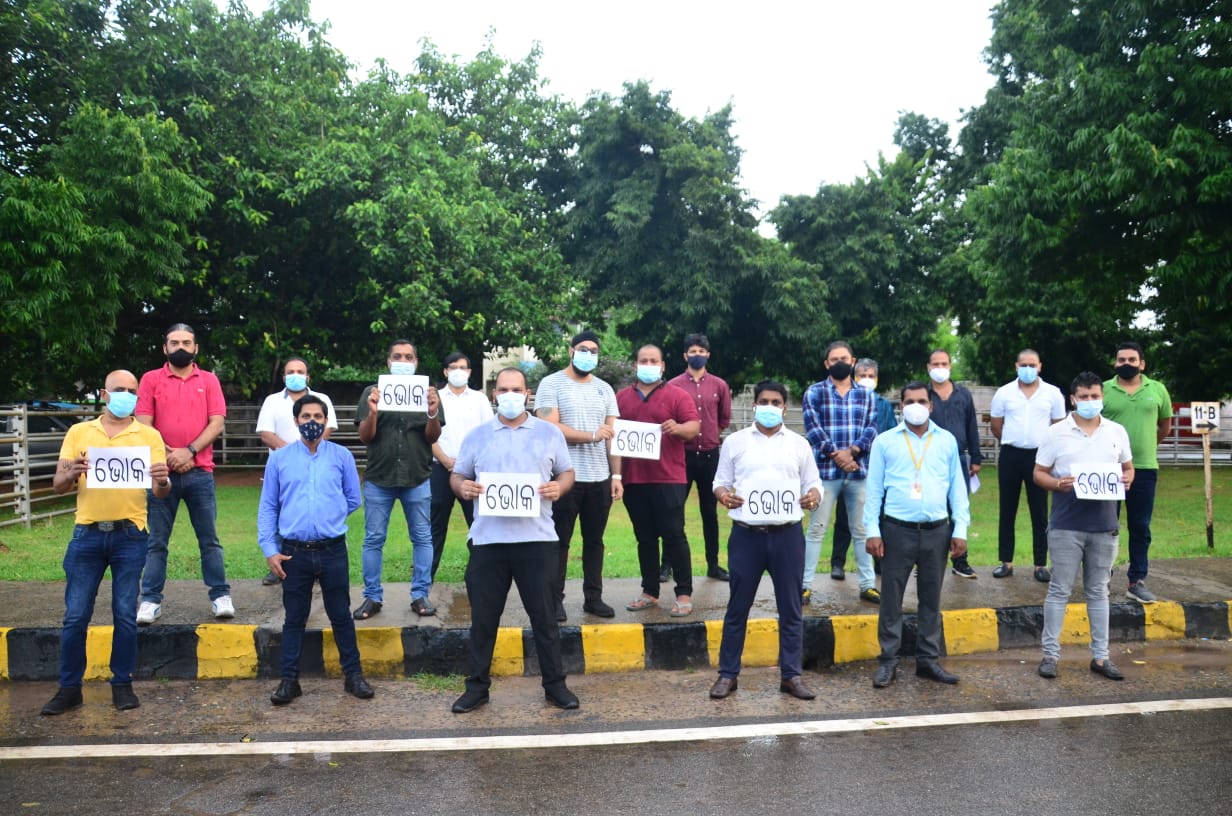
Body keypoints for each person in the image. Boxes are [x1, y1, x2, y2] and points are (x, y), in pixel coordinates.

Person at [40, 370, 172, 715]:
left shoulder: (149, 436)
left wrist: (163, 481)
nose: (126, 395)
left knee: (125, 614)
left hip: (131, 535)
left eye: (132, 390)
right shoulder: (79, 432)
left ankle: (122, 684)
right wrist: (70, 473)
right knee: (75, 616)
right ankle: (69, 688)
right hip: (87, 534)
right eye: (119, 389)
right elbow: (58, 484)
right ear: (104, 393)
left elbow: (160, 490)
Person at [449, 368, 579, 713]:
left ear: (527, 393)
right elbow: (458, 475)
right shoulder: (477, 435)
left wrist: (559, 487)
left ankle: (555, 686)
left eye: (516, 389)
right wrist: (462, 487)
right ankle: (476, 688)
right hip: (488, 542)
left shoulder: (549, 433)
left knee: (545, 619)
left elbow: (567, 472)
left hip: (537, 541)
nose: (510, 395)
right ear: (494, 395)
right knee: (483, 620)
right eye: (503, 389)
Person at [709, 380, 822, 701]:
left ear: (784, 408)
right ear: (754, 405)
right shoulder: (735, 442)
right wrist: (723, 496)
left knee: (791, 608)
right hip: (747, 535)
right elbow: (720, 482)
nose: (769, 407)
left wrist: (813, 496)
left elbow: (814, 484)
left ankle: (791, 675)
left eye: (776, 402)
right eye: (764, 401)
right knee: (737, 608)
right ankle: (728, 674)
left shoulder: (799, 444)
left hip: (788, 536)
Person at [258, 394, 374, 705]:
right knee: (295, 618)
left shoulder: (341, 456)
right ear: (296, 421)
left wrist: (328, 516)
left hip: (332, 550)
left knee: (341, 615)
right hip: (293, 552)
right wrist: (269, 548)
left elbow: (353, 499)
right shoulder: (279, 459)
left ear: (326, 421)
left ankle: (353, 676)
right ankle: (289, 681)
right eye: (306, 416)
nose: (312, 422)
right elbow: (268, 506)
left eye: (318, 417)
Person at [865, 381, 970, 689]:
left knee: (931, 598)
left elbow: (957, 487)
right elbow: (873, 490)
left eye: (921, 401)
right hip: (897, 530)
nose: (916, 406)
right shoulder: (885, 442)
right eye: (909, 401)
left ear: (931, 405)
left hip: (937, 530)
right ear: (901, 406)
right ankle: (888, 661)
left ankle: (928, 660)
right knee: (891, 599)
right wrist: (873, 531)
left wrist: (960, 529)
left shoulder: (947, 440)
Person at [1034, 372, 1134, 680]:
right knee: (1059, 590)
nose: (1090, 401)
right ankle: (1050, 656)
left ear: (1102, 397)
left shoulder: (1116, 431)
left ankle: (1101, 657)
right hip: (1066, 525)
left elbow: (1129, 468)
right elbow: (1039, 473)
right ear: (1073, 399)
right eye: (1084, 397)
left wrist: (1128, 479)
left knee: (1099, 592)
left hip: (1105, 525)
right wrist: (1056, 484)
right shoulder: (1056, 433)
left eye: (1095, 396)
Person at [135, 323, 232, 625]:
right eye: (174, 342)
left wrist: (188, 452)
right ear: (165, 348)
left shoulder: (209, 380)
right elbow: (143, 422)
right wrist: (170, 455)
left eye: (186, 343)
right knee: (156, 540)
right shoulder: (151, 379)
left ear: (195, 348)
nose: (180, 347)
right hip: (160, 472)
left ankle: (220, 595)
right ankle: (150, 600)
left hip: (199, 472)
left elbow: (216, 423)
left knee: (209, 539)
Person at [353, 340, 443, 620]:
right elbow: (365, 436)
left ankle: (420, 595)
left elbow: (432, 436)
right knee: (373, 539)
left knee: (422, 537)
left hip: (417, 476)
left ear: (416, 362)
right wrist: (373, 413)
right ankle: (372, 596)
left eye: (408, 357)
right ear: (388, 361)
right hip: (380, 477)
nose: (403, 361)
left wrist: (432, 412)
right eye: (397, 356)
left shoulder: (428, 393)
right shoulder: (372, 392)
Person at [535, 330, 621, 620]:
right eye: (583, 349)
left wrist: (616, 476)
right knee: (559, 541)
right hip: (564, 478)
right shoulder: (551, 384)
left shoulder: (605, 389)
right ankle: (554, 600)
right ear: (570, 351)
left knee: (595, 542)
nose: (588, 355)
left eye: (594, 351)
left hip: (599, 478)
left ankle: (593, 598)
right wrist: (592, 435)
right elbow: (550, 427)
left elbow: (613, 436)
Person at [618, 345, 701, 616]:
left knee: (674, 535)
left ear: (663, 366)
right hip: (634, 479)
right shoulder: (621, 398)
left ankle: (684, 594)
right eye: (643, 360)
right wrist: (616, 476)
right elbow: (614, 437)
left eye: (654, 361)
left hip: (669, 478)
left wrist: (678, 428)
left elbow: (693, 427)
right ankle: (649, 591)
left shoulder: (677, 395)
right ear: (635, 365)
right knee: (645, 538)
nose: (648, 364)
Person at [801, 341, 879, 605]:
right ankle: (804, 585)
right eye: (834, 359)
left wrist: (853, 452)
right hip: (825, 473)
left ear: (853, 361)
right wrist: (838, 455)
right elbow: (813, 429)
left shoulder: (866, 395)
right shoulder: (814, 392)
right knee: (817, 529)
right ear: (827, 364)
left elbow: (872, 428)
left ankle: (867, 585)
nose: (839, 363)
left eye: (844, 358)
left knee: (861, 530)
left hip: (858, 473)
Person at [254, 356, 339, 585]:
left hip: (318, 466)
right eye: (290, 372)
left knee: (315, 510)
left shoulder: (322, 399)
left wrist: (307, 453)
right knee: (278, 513)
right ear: (283, 377)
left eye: (300, 372)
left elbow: (327, 429)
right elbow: (266, 434)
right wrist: (293, 456)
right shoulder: (272, 401)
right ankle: (278, 564)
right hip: (282, 468)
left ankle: (318, 564)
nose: (295, 375)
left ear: (308, 376)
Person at [1102, 341, 1172, 604]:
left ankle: (1137, 580)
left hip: (1144, 468)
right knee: (1105, 526)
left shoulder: (1158, 390)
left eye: (1132, 360)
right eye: (1121, 360)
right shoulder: (1104, 390)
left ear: (1142, 363)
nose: (1126, 364)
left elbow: (1164, 425)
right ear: (1115, 363)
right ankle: (1101, 577)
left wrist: (1145, 447)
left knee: (1140, 526)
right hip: (1108, 469)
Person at [989, 349, 1066, 582]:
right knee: (1007, 509)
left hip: (1040, 457)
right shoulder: (1004, 393)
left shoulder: (1052, 393)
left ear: (1040, 366)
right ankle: (1006, 562)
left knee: (1039, 512)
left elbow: (1059, 426)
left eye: (1032, 365)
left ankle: (1040, 564)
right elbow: (996, 425)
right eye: (1023, 365)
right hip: (1011, 454)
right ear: (1016, 366)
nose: (1028, 369)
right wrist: (1012, 440)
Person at [664, 333, 732, 582]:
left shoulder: (719, 385)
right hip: (681, 455)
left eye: (701, 351)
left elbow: (723, 419)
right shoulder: (673, 386)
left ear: (708, 355)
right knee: (674, 510)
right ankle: (666, 565)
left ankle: (713, 564)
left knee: (709, 512)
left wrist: (710, 435)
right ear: (685, 355)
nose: (697, 355)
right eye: (693, 351)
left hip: (710, 455)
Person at [830, 358, 897, 581]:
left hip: (877, 469)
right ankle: (837, 563)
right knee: (844, 517)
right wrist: (850, 457)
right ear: (853, 376)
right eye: (862, 375)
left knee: (878, 516)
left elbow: (890, 434)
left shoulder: (884, 405)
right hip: (851, 466)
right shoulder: (847, 400)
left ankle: (879, 560)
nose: (866, 379)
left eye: (871, 376)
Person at [430, 352, 494, 578]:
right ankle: (424, 582)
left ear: (469, 372)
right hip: (440, 468)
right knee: (434, 527)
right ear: (445, 371)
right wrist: (447, 461)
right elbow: (427, 435)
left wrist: (468, 463)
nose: (458, 371)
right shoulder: (435, 398)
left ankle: (482, 577)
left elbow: (488, 434)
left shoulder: (479, 399)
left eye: (463, 367)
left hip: (473, 471)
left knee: (478, 524)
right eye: (453, 367)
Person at [926, 349, 984, 579]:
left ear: (950, 366)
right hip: (929, 459)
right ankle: (930, 561)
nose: (940, 368)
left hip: (959, 458)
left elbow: (972, 425)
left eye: (944, 363)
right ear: (928, 367)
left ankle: (960, 560)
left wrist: (976, 457)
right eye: (935, 364)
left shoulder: (963, 394)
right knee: (933, 509)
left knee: (959, 508)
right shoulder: (924, 394)